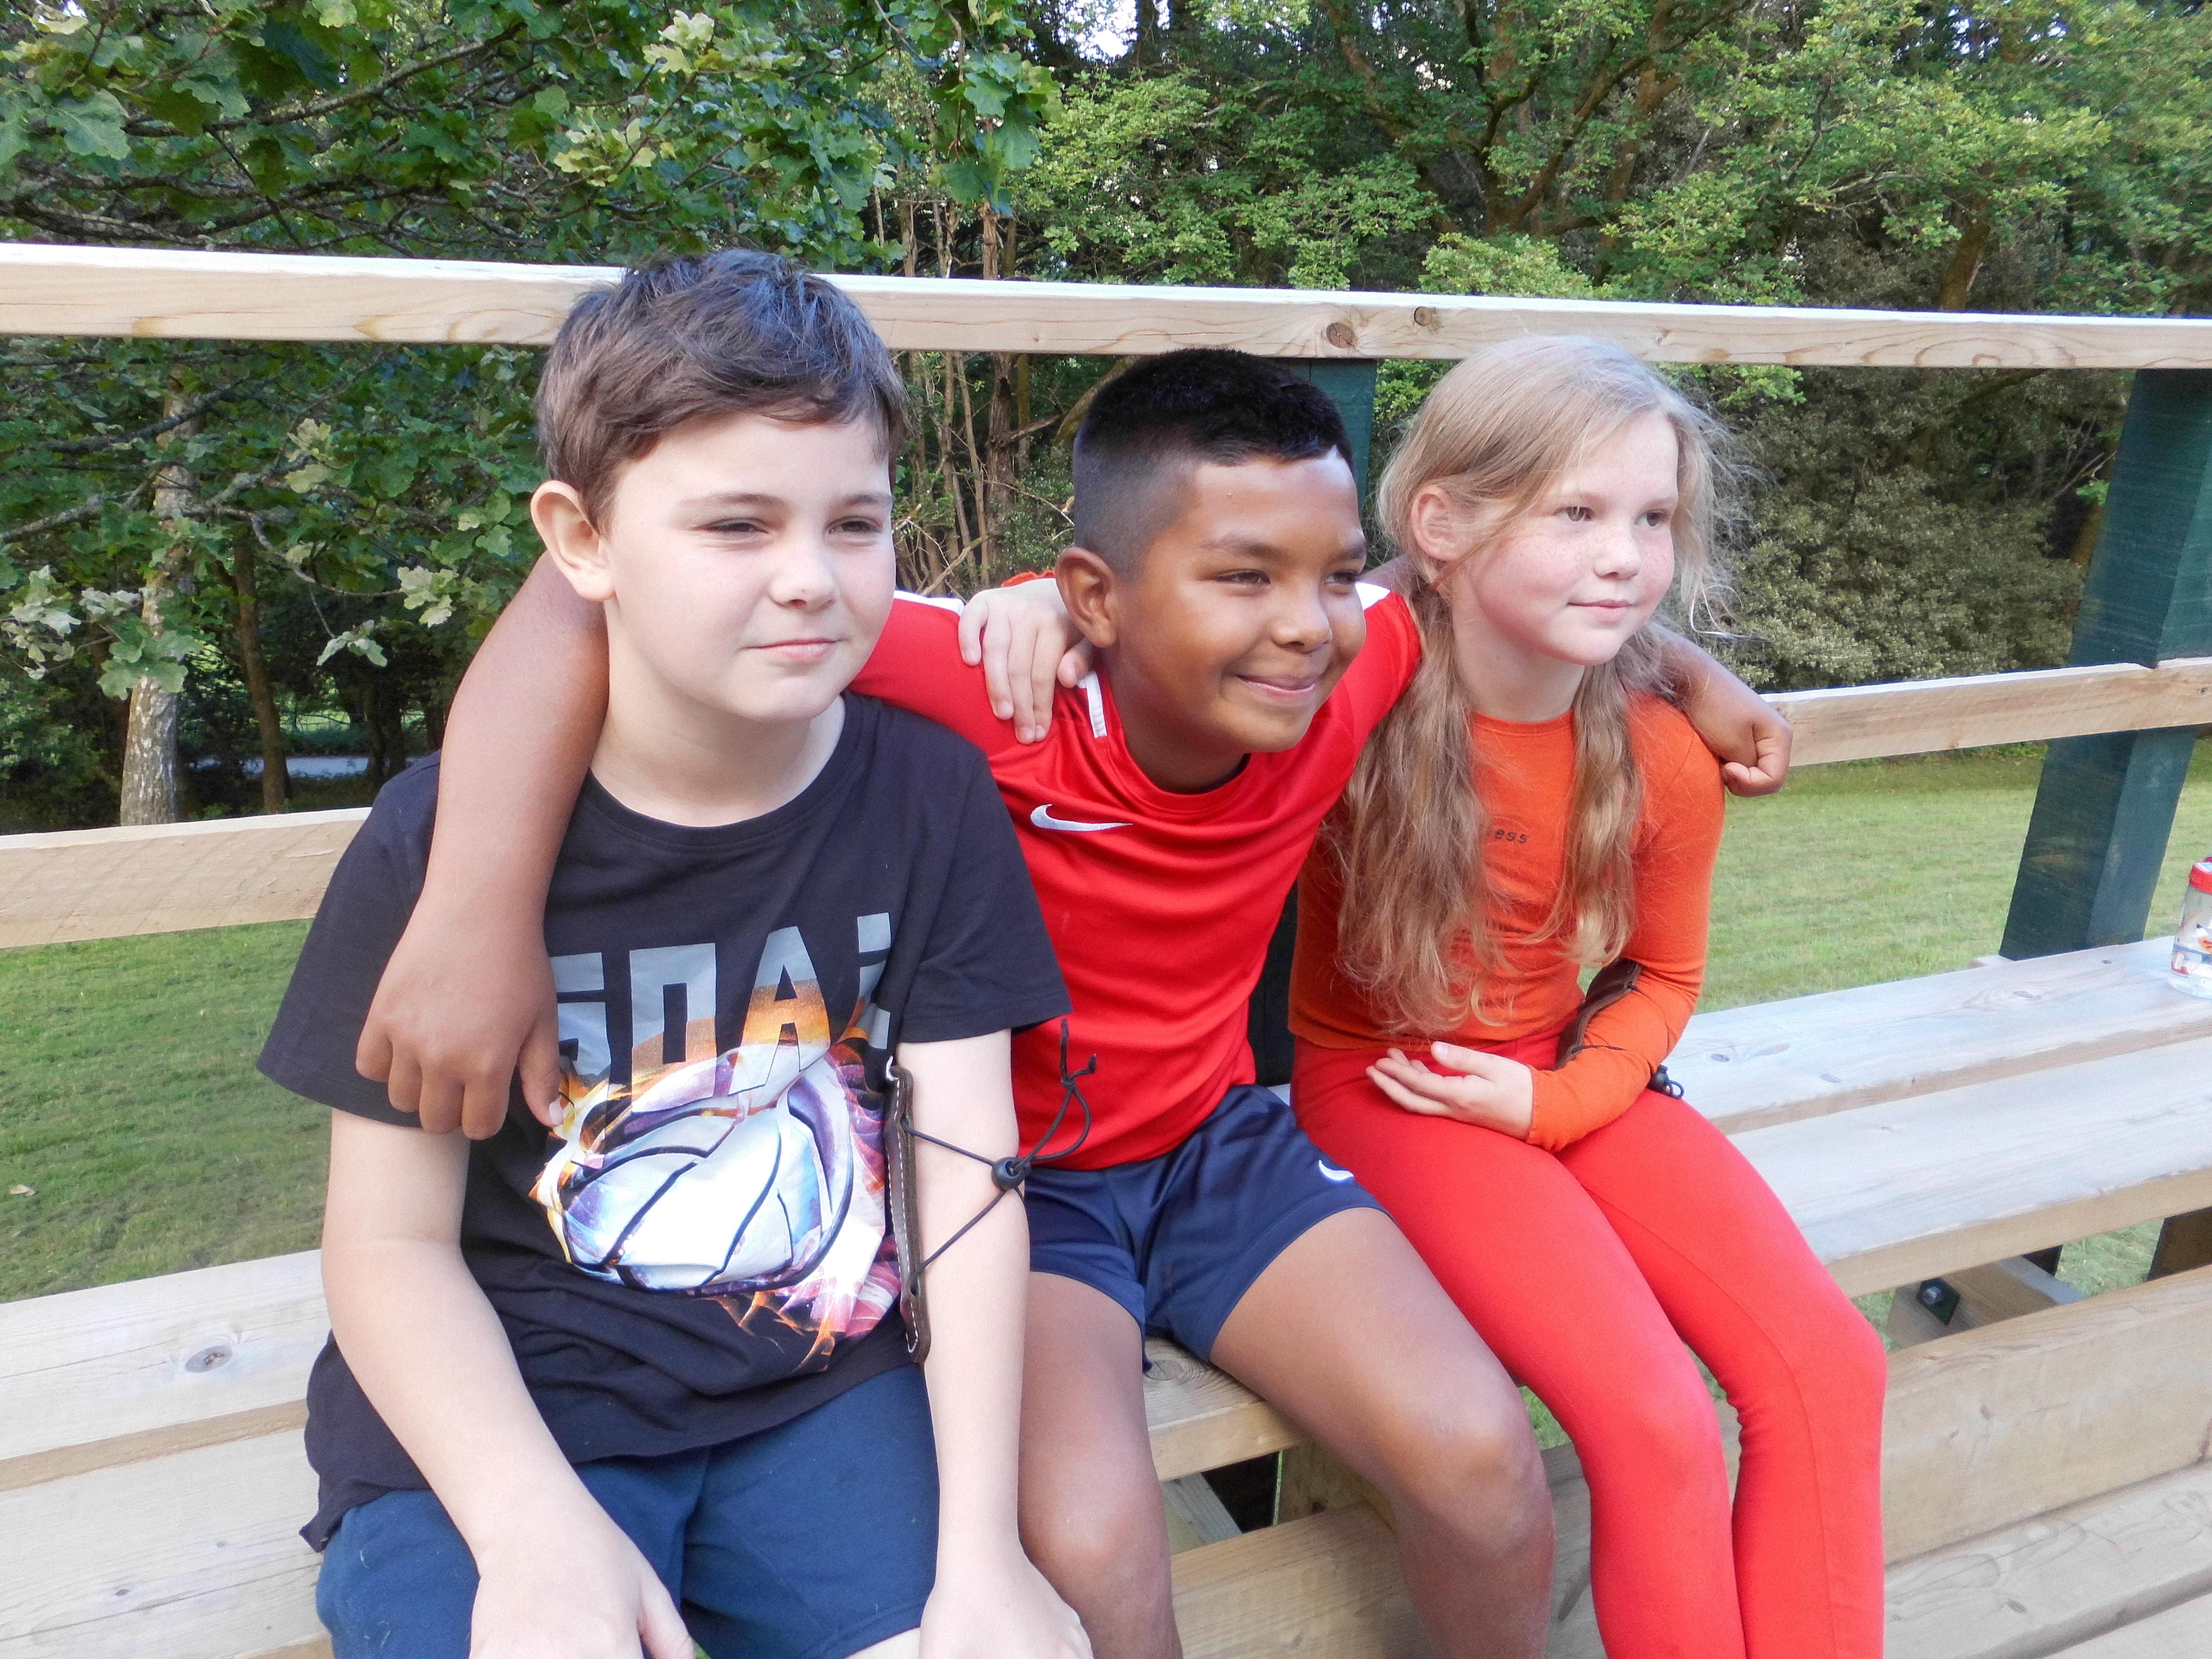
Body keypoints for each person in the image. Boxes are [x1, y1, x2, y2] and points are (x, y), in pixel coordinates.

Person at [356, 347, 1796, 1659]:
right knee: (1099, 1549)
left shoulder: (1360, 657)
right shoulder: (996, 687)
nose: (1305, 627)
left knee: (1482, 1457)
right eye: (1243, 577)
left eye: (1331, 577)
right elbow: (578, 591)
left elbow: (1512, 595)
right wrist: (475, 902)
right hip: (1014, 1190)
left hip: (1219, 1147)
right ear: (1096, 596)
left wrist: (1696, 673)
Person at [260, 250, 1089, 1659]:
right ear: (581, 542)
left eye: (854, 523)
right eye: (736, 526)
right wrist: (534, 1531)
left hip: (816, 1392)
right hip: (510, 1415)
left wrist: (983, 1556)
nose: (807, 580)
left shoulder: (929, 798)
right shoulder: (437, 847)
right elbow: (388, 1244)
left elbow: (965, 1179)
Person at [1290, 337, 1887, 1659]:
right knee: (1656, 1417)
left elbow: (1664, 976)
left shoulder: (1661, 751)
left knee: (1832, 1365)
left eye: (1652, 519)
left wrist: (1554, 1103)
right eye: (1576, 513)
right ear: (1442, 521)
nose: (1623, 556)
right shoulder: (1355, 697)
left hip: (1567, 1076)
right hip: (1400, 1088)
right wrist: (1038, 611)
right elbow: (1232, 620)